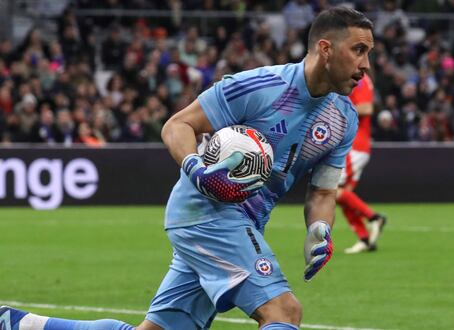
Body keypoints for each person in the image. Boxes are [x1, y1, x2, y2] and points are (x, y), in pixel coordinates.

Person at [1, 6, 374, 330]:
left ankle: (19, 323)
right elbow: (177, 126)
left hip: (239, 223)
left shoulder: (343, 117)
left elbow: (324, 191)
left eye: (369, 53)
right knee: (283, 311)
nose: (366, 65)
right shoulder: (261, 87)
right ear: (325, 48)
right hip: (207, 213)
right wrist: (197, 167)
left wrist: (319, 228)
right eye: (359, 50)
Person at [336, 74, 387, 254]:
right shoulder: (351, 78)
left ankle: (374, 218)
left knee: (332, 190)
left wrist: (335, 115)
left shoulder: (361, 79)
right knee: (344, 196)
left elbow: (366, 107)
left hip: (354, 146)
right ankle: (364, 239)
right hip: (355, 145)